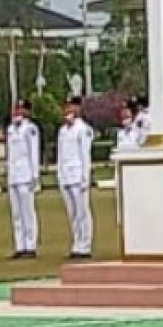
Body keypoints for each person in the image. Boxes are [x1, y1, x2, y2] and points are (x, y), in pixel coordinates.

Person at [57, 95, 94, 260]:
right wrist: (60, 175)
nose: (68, 110)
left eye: (72, 106)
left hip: (78, 175)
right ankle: (76, 243)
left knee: (82, 212)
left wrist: (86, 177)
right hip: (66, 176)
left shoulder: (83, 129)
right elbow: (60, 155)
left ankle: (85, 245)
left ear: (79, 109)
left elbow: (85, 155)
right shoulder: (63, 130)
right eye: (66, 107)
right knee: (72, 213)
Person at [6, 99, 41, 259]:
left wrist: (35, 175)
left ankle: (30, 245)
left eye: (21, 109)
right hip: (13, 175)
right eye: (16, 109)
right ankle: (19, 245)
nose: (17, 112)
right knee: (16, 213)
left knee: (27, 212)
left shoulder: (30, 129)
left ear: (27, 112)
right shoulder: (11, 129)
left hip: (26, 175)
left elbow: (33, 153)